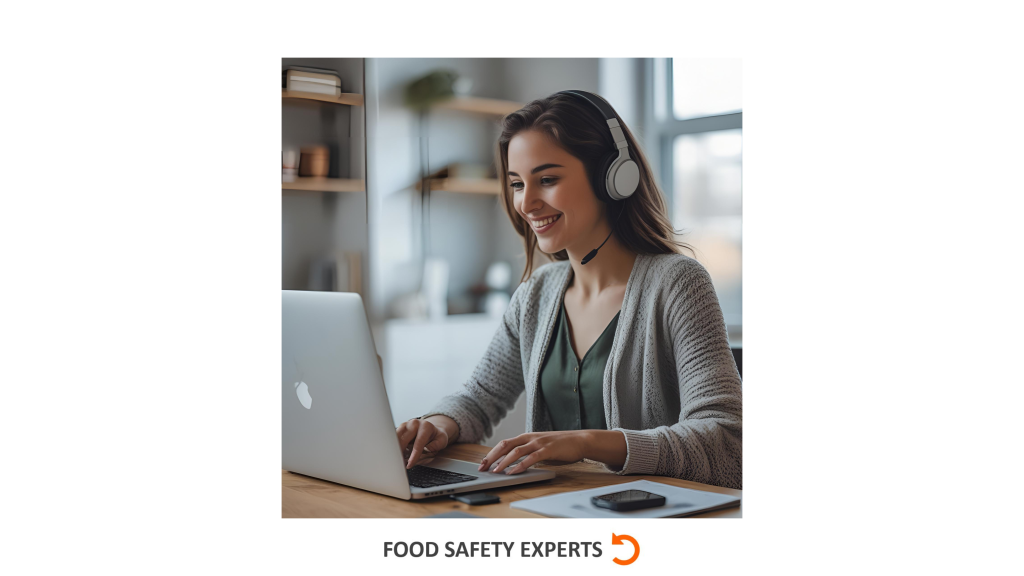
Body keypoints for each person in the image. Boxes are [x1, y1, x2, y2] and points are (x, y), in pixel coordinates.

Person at [395, 91, 743, 490]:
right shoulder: (536, 295)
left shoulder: (678, 284)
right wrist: (438, 425)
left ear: (612, 177)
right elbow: (479, 397)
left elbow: (727, 443)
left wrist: (587, 443)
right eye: (516, 184)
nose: (527, 203)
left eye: (547, 180)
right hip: (551, 512)